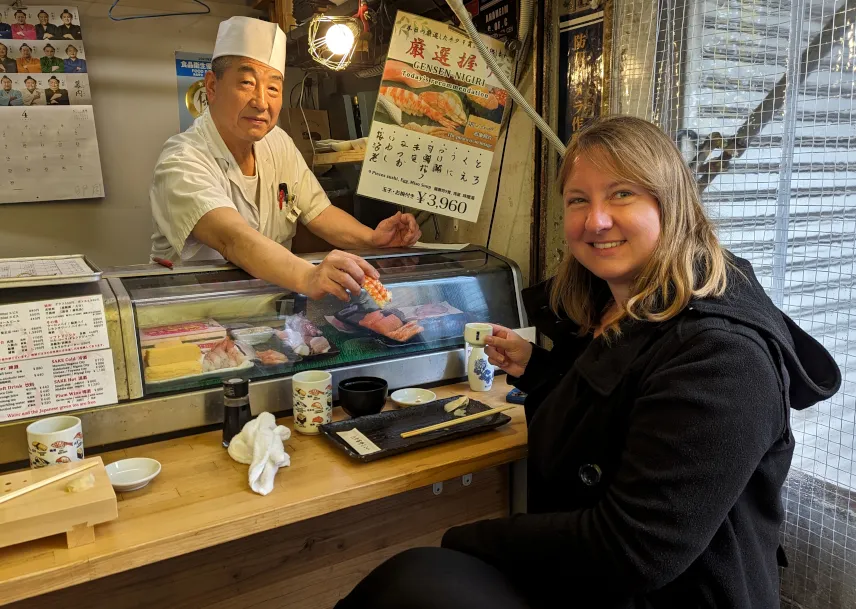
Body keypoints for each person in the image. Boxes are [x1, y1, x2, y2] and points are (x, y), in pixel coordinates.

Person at [335, 117, 842, 609]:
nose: (595, 221)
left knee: (416, 580)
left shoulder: (722, 356)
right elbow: (618, 411)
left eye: (622, 194)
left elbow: (634, 549)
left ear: (671, 203)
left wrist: (469, 538)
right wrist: (538, 370)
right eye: (579, 200)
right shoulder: (619, 304)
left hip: (670, 593)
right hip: (599, 579)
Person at [150, 16, 421, 302]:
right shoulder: (181, 161)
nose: (261, 102)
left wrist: (372, 239)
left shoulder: (276, 141)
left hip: (268, 309)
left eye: (273, 88)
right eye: (246, 82)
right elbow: (233, 240)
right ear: (212, 87)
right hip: (196, 313)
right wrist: (309, 276)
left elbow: (319, 212)